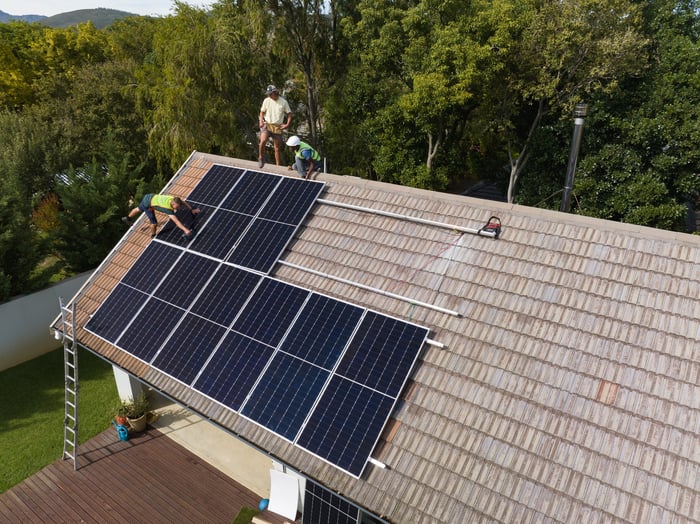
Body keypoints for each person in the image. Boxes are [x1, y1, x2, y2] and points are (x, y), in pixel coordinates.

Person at [122, 194, 200, 238]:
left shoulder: (173, 199)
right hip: (148, 204)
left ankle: (127, 218)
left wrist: (192, 209)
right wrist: (185, 230)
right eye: (177, 206)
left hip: (149, 196)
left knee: (139, 209)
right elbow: (176, 221)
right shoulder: (167, 208)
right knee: (154, 223)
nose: (178, 208)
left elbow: (183, 202)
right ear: (172, 204)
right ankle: (153, 235)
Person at [258, 84, 292, 168]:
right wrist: (261, 121)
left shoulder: (283, 102)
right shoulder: (266, 100)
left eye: (271, 94)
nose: (269, 95)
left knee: (277, 148)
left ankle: (277, 165)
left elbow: (289, 114)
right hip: (268, 124)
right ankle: (261, 158)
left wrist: (287, 124)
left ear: (275, 92)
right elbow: (262, 112)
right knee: (263, 141)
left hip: (277, 127)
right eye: (268, 94)